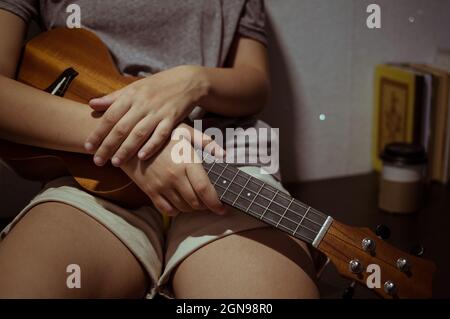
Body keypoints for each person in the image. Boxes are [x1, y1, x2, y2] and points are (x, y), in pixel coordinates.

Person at [0, 0, 319, 298]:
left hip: (221, 163)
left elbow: (255, 84)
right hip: (90, 173)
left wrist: (195, 82)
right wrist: (129, 138)